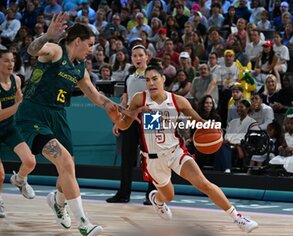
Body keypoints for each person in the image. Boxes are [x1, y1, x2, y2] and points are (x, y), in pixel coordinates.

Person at [16, 14, 138, 236]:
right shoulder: (55, 50)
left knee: (67, 169)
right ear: (78, 41)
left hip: (58, 117)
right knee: (65, 163)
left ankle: (58, 201)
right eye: (89, 45)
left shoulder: (80, 68)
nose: (91, 49)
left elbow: (96, 96)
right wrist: (47, 36)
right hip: (33, 114)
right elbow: (32, 51)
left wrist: (120, 109)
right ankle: (84, 223)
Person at [108, 62, 259, 233]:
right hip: (153, 159)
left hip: (176, 152)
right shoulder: (139, 99)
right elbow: (124, 125)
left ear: (163, 79)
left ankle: (238, 218)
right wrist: (116, 120)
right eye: (147, 80)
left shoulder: (178, 101)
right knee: (168, 195)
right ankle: (157, 200)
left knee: (204, 184)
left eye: (154, 79)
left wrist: (214, 129)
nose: (151, 83)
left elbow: (199, 122)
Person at [106, 44, 155, 205]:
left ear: (147, 56)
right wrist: (119, 120)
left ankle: (152, 194)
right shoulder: (129, 77)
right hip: (130, 119)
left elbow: (158, 98)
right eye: (135, 56)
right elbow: (125, 100)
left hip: (150, 118)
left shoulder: (153, 75)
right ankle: (123, 194)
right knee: (126, 158)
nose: (138, 58)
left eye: (141, 55)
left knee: (151, 157)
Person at [0, 49, 36, 218]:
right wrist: (18, 107)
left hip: (10, 128)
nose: (11, 64)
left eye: (12, 61)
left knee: (30, 161)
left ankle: (20, 180)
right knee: (0, 174)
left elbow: (20, 100)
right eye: (6, 61)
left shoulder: (16, 80)